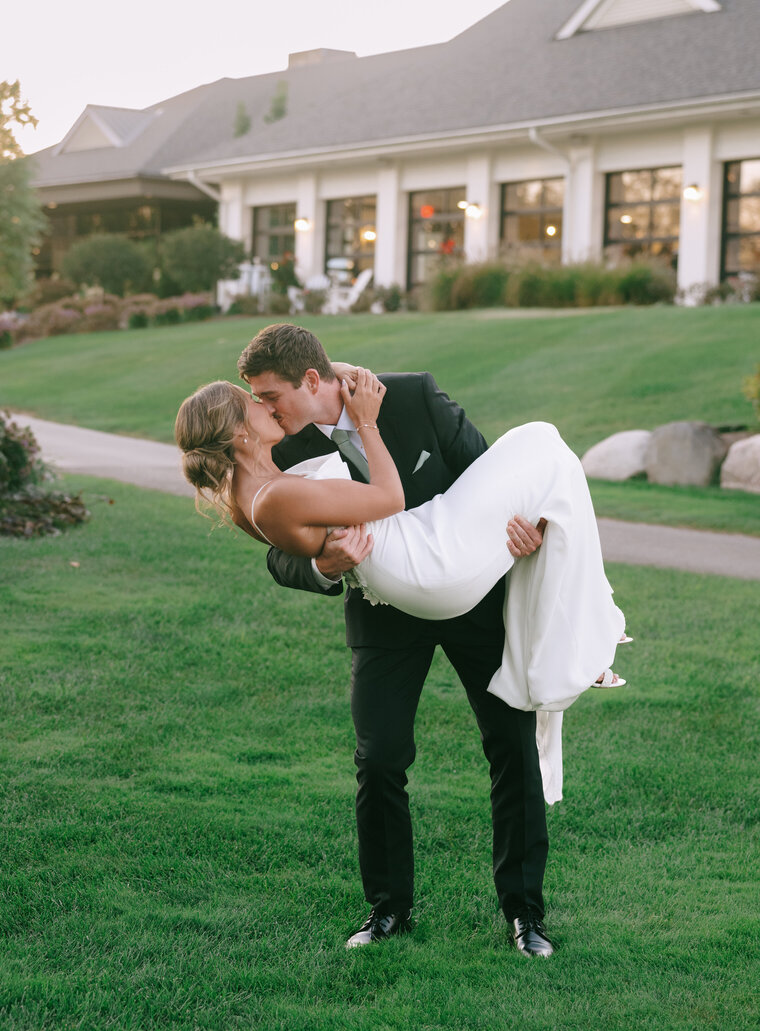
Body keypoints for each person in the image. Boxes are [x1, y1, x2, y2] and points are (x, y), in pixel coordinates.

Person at [176, 326, 624, 957]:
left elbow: (494, 477)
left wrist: (536, 531)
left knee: (511, 745)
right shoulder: (280, 442)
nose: (267, 408)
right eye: (258, 400)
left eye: (271, 394)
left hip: (468, 597)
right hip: (384, 612)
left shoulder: (412, 397)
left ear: (311, 380)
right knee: (380, 757)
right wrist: (322, 567)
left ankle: (526, 914)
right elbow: (277, 549)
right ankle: (388, 911)